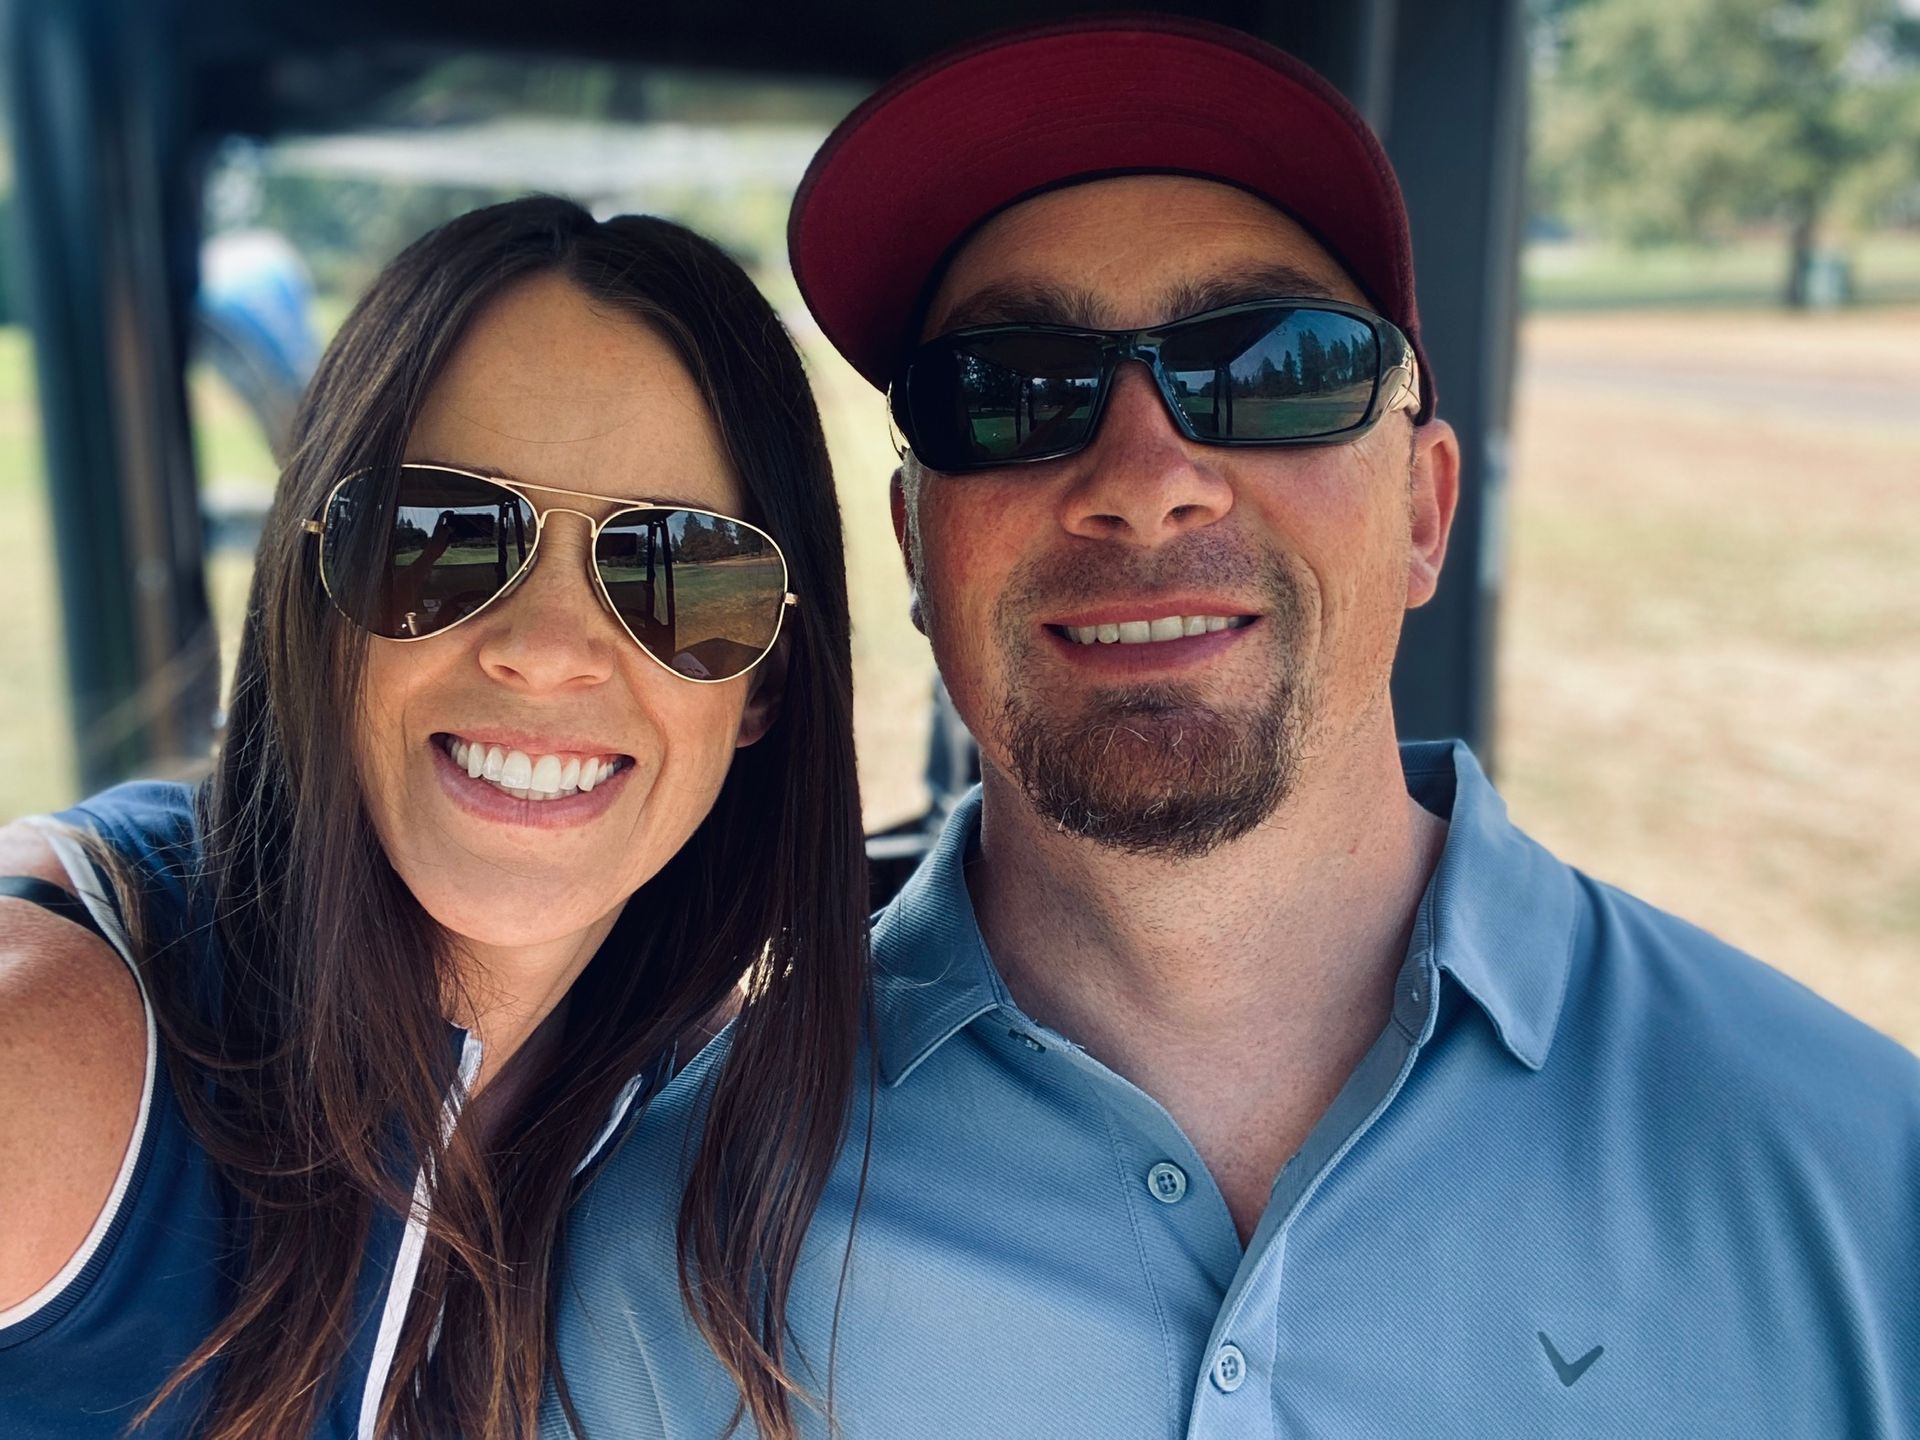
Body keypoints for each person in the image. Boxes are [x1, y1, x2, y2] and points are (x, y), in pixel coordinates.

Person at [549, 15, 1920, 1440]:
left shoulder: (1866, 1188)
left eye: (1275, 370)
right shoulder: (668, 1253)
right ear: (914, 544)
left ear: (1424, 510)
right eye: (1011, 394)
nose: (1145, 480)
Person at [0, 196, 869, 1438]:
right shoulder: (51, 1052)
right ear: (317, 597)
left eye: (674, 570)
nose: (548, 650)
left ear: (766, 685)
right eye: (439, 538)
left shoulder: (716, 1130)